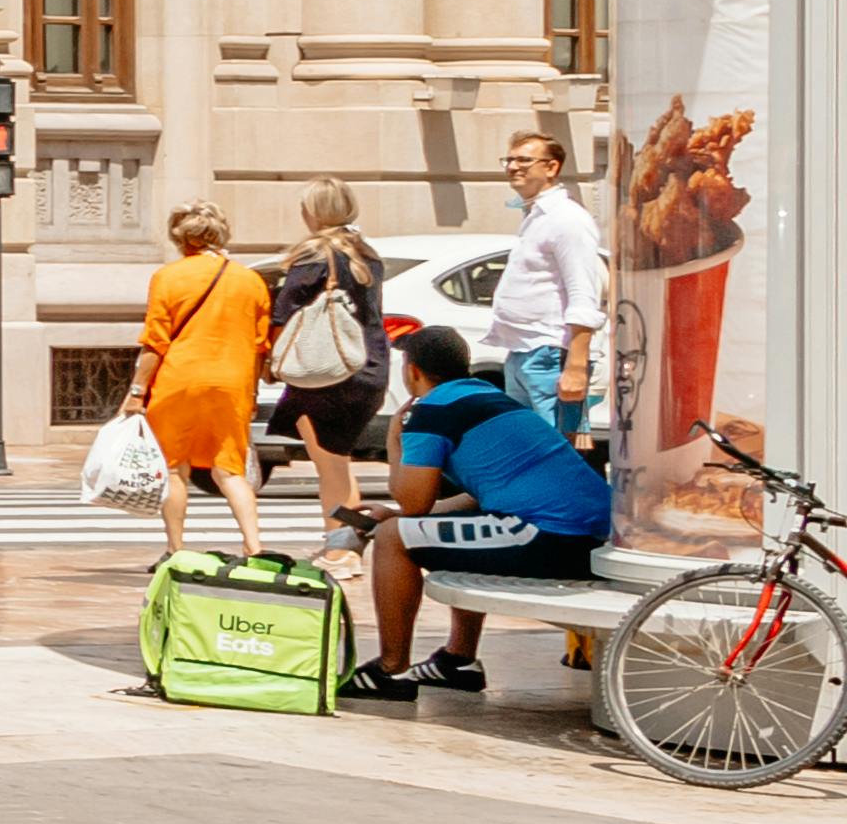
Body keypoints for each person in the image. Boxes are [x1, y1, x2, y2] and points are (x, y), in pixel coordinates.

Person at [353, 319, 615, 697]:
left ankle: (390, 670)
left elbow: (413, 503)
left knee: (394, 538)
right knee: (459, 527)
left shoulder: (430, 412)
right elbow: (478, 498)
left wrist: (395, 439)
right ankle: (457, 661)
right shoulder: (490, 398)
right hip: (587, 536)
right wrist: (404, 516)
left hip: (551, 535)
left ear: (412, 371)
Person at [134, 203, 268, 561]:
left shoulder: (168, 277)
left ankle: (176, 549)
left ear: (180, 238)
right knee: (230, 470)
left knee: (175, 467)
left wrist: (136, 391)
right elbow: (259, 347)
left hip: (178, 381)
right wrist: (252, 392)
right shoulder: (251, 281)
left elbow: (155, 341)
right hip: (232, 383)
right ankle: (253, 544)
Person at [263, 181, 390, 540]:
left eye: (306, 207)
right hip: (367, 367)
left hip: (326, 373)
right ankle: (347, 541)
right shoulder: (367, 253)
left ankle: (340, 549)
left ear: (317, 212)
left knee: (330, 467)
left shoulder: (315, 256)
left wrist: (271, 363)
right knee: (339, 461)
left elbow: (283, 313)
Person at [492, 129, 605, 437]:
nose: (513, 167)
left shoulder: (567, 219)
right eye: (510, 160)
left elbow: (584, 293)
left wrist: (576, 366)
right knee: (528, 449)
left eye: (524, 160)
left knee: (556, 452)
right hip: (522, 350)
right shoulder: (536, 216)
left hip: (551, 353)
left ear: (551, 168)